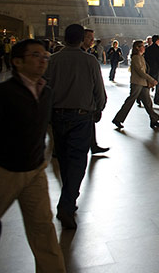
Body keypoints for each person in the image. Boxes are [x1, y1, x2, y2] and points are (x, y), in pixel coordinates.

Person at [0, 39, 66, 273]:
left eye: (45, 56)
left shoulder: (46, 91)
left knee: (44, 229)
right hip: (4, 172)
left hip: (34, 170)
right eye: (35, 56)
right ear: (17, 62)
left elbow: (43, 130)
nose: (42, 60)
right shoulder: (1, 93)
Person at [46, 24, 107, 229]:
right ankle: (67, 203)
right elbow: (98, 88)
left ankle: (68, 197)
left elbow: (45, 88)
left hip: (57, 116)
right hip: (81, 117)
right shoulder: (89, 60)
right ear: (81, 39)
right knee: (78, 161)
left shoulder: (53, 60)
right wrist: (100, 107)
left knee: (63, 159)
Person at [112, 40, 159, 131]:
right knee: (130, 101)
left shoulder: (141, 57)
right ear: (137, 48)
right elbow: (140, 72)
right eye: (142, 46)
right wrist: (151, 80)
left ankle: (154, 119)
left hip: (142, 83)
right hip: (137, 83)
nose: (144, 48)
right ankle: (118, 119)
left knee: (148, 102)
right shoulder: (136, 58)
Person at [82, 28, 109, 155]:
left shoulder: (89, 55)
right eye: (89, 37)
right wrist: (100, 103)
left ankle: (93, 145)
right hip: (82, 101)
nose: (92, 40)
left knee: (90, 123)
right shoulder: (87, 58)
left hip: (87, 101)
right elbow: (97, 84)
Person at [144, 34, 159, 105]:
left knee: (148, 84)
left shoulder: (148, 49)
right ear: (157, 40)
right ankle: (156, 98)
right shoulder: (158, 49)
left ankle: (146, 98)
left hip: (149, 69)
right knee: (158, 84)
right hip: (156, 70)